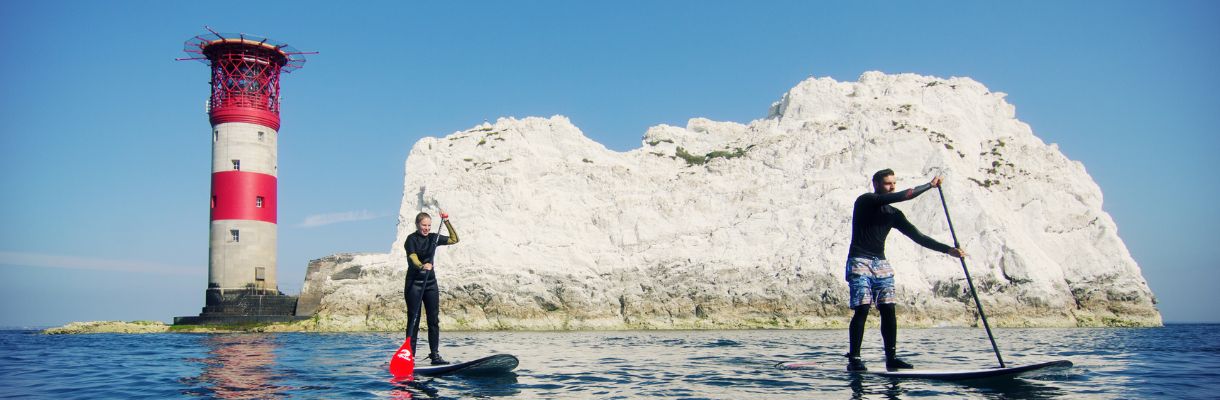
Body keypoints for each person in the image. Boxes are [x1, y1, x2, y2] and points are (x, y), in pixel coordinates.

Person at [844, 169, 966, 372]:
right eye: (887, 183)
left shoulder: (894, 214)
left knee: (888, 309)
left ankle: (891, 358)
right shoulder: (865, 201)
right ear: (875, 184)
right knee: (863, 308)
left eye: (893, 183)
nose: (891, 187)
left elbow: (919, 237)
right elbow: (904, 196)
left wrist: (949, 250)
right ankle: (854, 358)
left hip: (881, 263)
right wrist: (930, 185)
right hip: (859, 260)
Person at [404, 210, 460, 365]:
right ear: (417, 225)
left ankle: (435, 355)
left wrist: (447, 221)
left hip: (430, 283)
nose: (426, 228)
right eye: (424, 225)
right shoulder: (411, 239)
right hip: (414, 283)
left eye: (429, 225)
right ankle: (409, 356)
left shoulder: (434, 238)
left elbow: (454, 239)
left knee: (433, 320)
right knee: (414, 320)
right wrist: (422, 266)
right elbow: (413, 258)